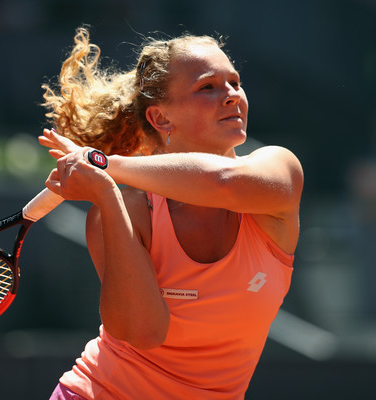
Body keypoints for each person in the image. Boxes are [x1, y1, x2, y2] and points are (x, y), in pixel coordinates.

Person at [39, 26, 303, 400]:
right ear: (161, 118)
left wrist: (105, 165)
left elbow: (223, 182)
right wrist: (107, 196)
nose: (231, 95)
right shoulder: (129, 206)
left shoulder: (278, 172)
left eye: (235, 82)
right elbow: (143, 332)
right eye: (207, 87)